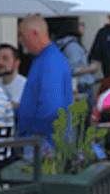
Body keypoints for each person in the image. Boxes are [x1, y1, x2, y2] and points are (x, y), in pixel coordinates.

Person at [16, 15, 73, 144]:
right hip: (46, 141)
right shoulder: (48, 58)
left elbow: (52, 109)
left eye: (22, 35)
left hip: (44, 144)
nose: (20, 40)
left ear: (35, 33)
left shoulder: (50, 61)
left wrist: (32, 130)